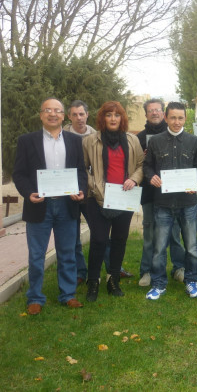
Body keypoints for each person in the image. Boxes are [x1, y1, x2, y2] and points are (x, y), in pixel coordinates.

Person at [13, 98, 87, 315]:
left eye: (57, 111)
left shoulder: (74, 141)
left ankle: (68, 294)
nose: (53, 114)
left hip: (67, 205)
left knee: (67, 252)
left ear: (64, 115)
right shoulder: (27, 141)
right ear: (41, 115)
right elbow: (19, 173)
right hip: (39, 205)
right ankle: (35, 297)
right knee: (36, 255)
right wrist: (28, 193)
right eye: (48, 110)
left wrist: (80, 189)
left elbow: (81, 171)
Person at [83, 101, 144, 302]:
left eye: (116, 115)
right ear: (102, 118)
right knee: (99, 240)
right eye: (108, 115)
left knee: (119, 240)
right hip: (98, 199)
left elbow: (141, 165)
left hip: (124, 198)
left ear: (122, 118)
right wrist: (94, 186)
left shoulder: (132, 140)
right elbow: (83, 169)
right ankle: (93, 282)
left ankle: (113, 280)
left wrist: (134, 179)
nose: (113, 119)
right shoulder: (90, 141)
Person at [144, 102, 197, 300]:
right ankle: (158, 284)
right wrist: (151, 176)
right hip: (162, 203)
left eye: (180, 118)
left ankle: (192, 281)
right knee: (159, 247)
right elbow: (147, 166)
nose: (176, 122)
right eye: (173, 118)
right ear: (166, 118)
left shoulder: (194, 141)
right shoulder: (155, 141)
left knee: (191, 246)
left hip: (187, 203)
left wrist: (196, 180)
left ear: (185, 119)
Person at [136, 98, 185, 287]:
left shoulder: (175, 133)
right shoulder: (139, 138)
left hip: (172, 194)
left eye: (158, 110)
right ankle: (147, 271)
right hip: (149, 193)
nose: (154, 113)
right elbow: (137, 165)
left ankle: (178, 268)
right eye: (151, 110)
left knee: (174, 232)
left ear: (163, 113)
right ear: (146, 114)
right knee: (150, 234)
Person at [64, 100, 96, 285]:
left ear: (87, 114)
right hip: (68, 194)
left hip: (91, 193)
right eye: (74, 114)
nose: (79, 118)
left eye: (81, 114)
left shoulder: (96, 135)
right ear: (69, 117)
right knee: (73, 236)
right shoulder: (62, 135)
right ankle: (79, 272)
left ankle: (111, 268)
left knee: (100, 233)